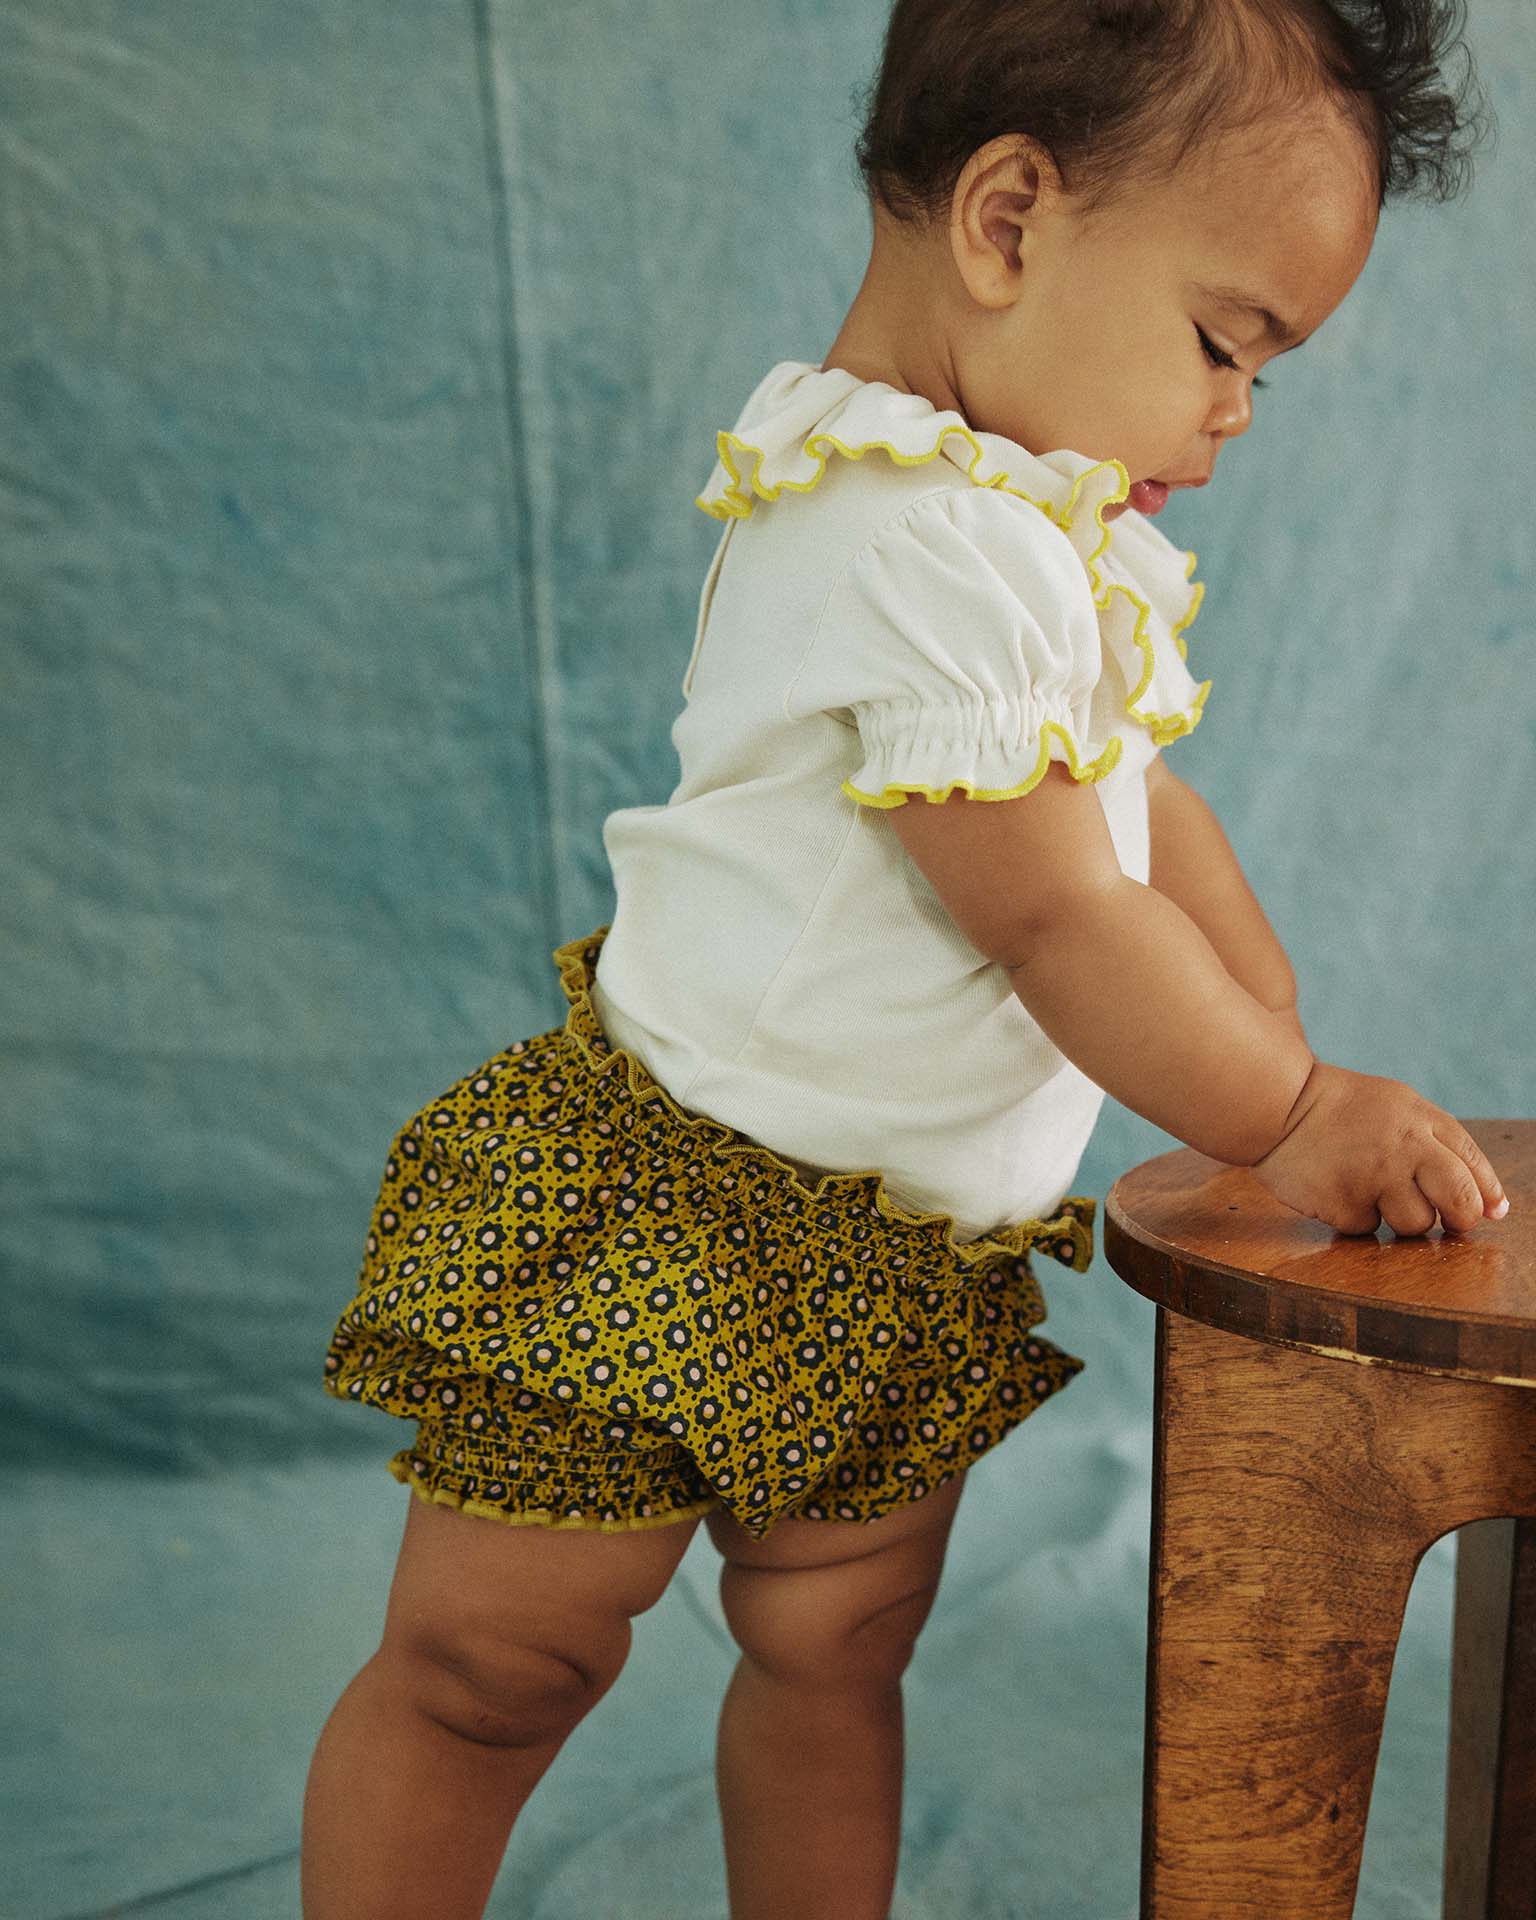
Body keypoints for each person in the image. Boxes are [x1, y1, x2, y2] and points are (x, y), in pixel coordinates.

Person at [302, 3, 1505, 1915]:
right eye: (1223, 342)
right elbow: (1051, 909)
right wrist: (1285, 1105)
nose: (1236, 414)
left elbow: (1132, 810)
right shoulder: (908, 539)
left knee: (835, 1653)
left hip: (892, 1256)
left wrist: (1266, 1003)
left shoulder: (1038, 532)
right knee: (495, 1659)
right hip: (685, 1206)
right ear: (1009, 222)